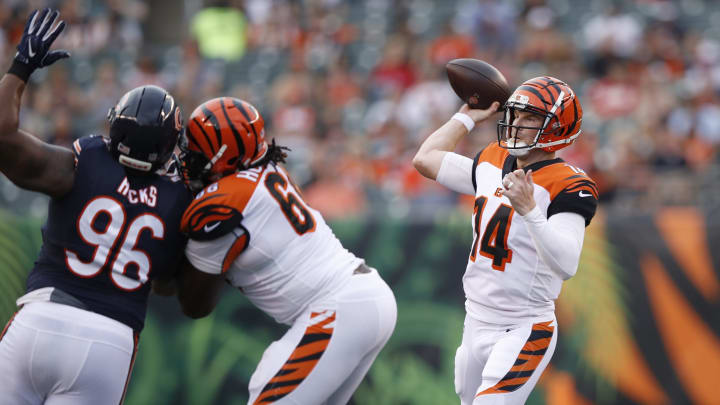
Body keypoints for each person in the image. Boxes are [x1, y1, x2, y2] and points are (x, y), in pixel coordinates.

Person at [0, 9, 192, 405]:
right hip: (109, 340)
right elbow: (170, 285)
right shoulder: (178, 197)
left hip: (42, 318)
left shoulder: (81, 161)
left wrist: (20, 68)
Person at [174, 97, 397, 405]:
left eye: (197, 152)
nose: (189, 158)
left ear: (222, 155)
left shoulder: (222, 204)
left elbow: (195, 305)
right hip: (365, 296)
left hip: (338, 307)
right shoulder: (270, 171)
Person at [413, 75, 597, 405]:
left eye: (530, 118)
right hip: (475, 319)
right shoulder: (493, 158)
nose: (516, 124)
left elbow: (567, 265)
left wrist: (530, 211)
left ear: (557, 128)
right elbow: (425, 158)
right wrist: (466, 116)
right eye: (515, 114)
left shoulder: (568, 185)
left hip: (524, 327)